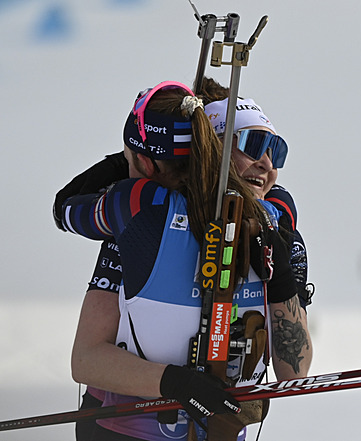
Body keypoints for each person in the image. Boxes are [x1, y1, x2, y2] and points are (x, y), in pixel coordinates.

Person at [52, 77, 314, 441]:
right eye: (252, 145)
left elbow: (293, 371)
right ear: (210, 149)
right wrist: (173, 382)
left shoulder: (275, 222)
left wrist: (282, 272)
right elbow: (87, 359)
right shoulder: (146, 221)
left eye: (276, 151)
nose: (266, 164)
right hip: (124, 431)